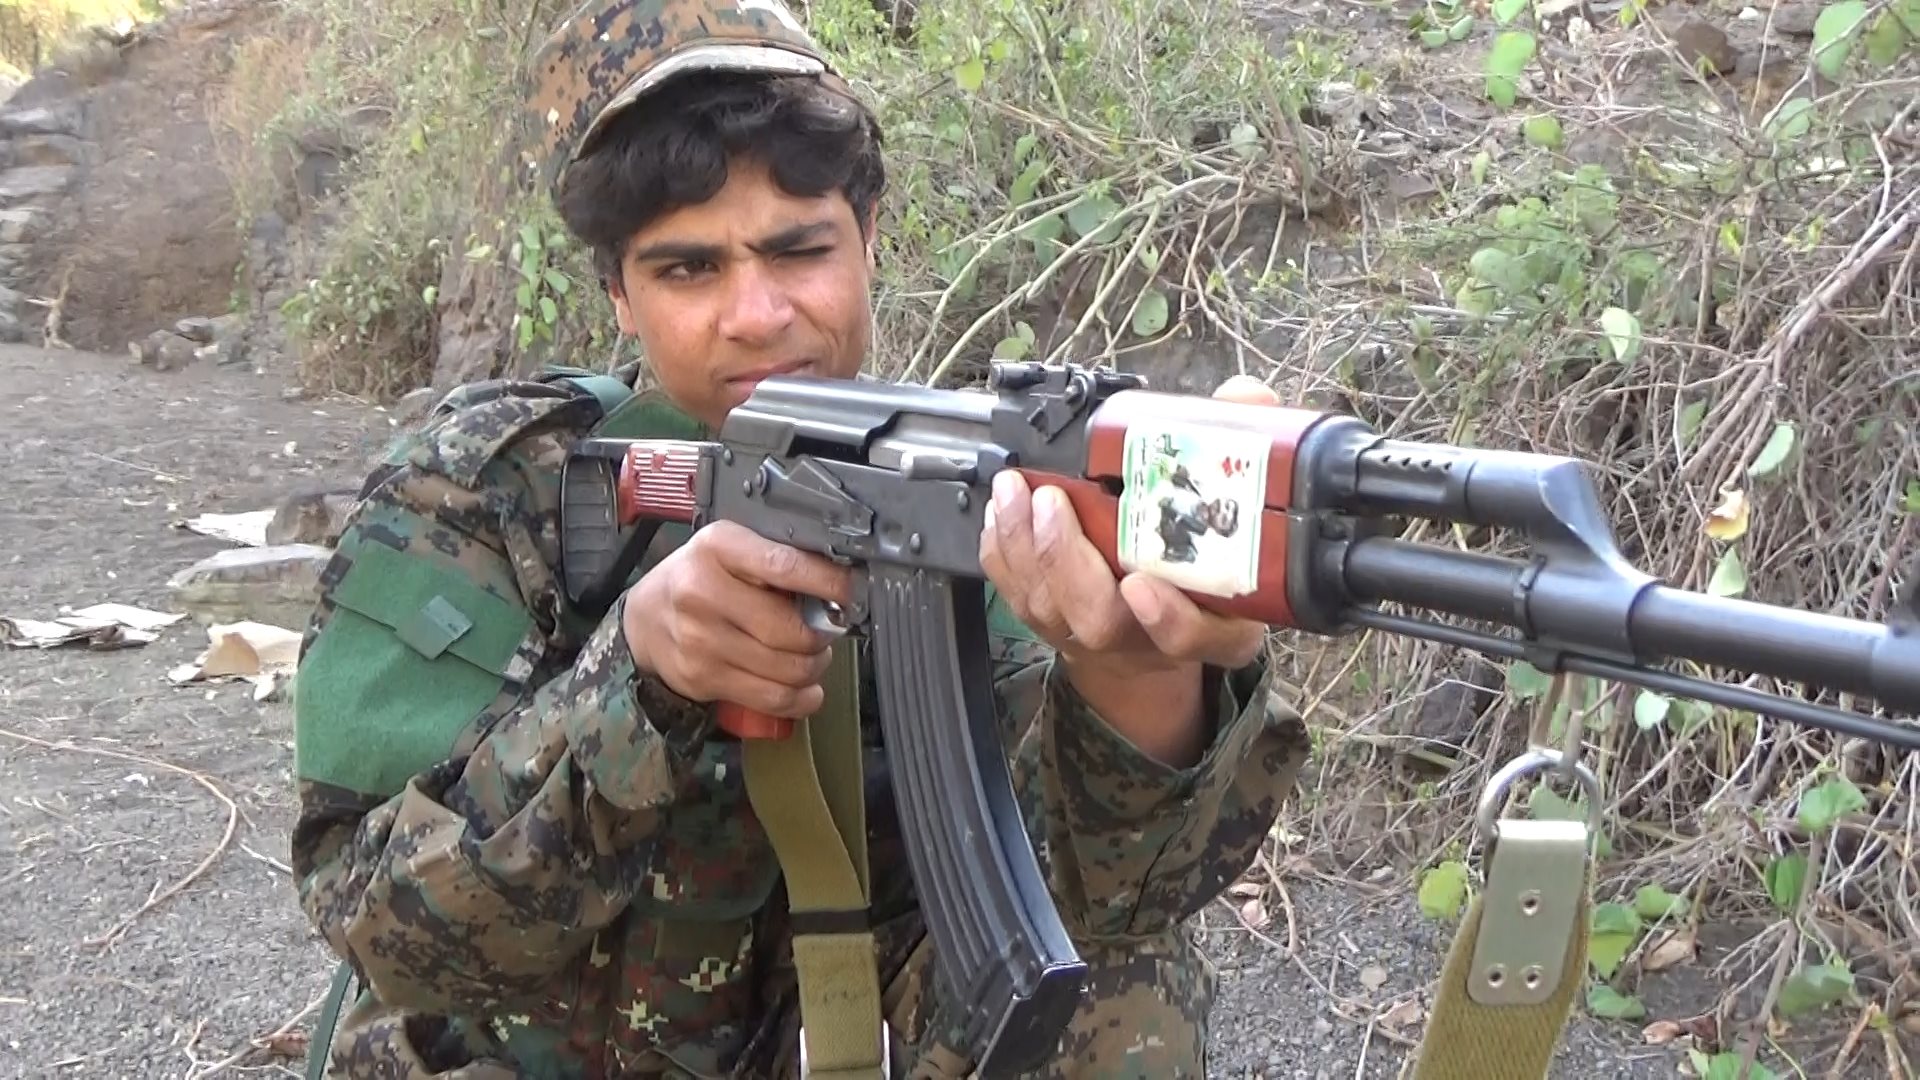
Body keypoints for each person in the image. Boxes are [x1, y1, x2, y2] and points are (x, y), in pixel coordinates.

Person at [288, 1, 1312, 1076]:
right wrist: (634, 685)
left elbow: (1113, 897)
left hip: (840, 1038)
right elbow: (378, 924)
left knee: (1121, 993)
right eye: (688, 269)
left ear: (869, 235)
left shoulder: (961, 487)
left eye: (799, 249)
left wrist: (1137, 681)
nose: (756, 313)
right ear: (618, 294)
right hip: (543, 1052)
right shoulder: (483, 493)